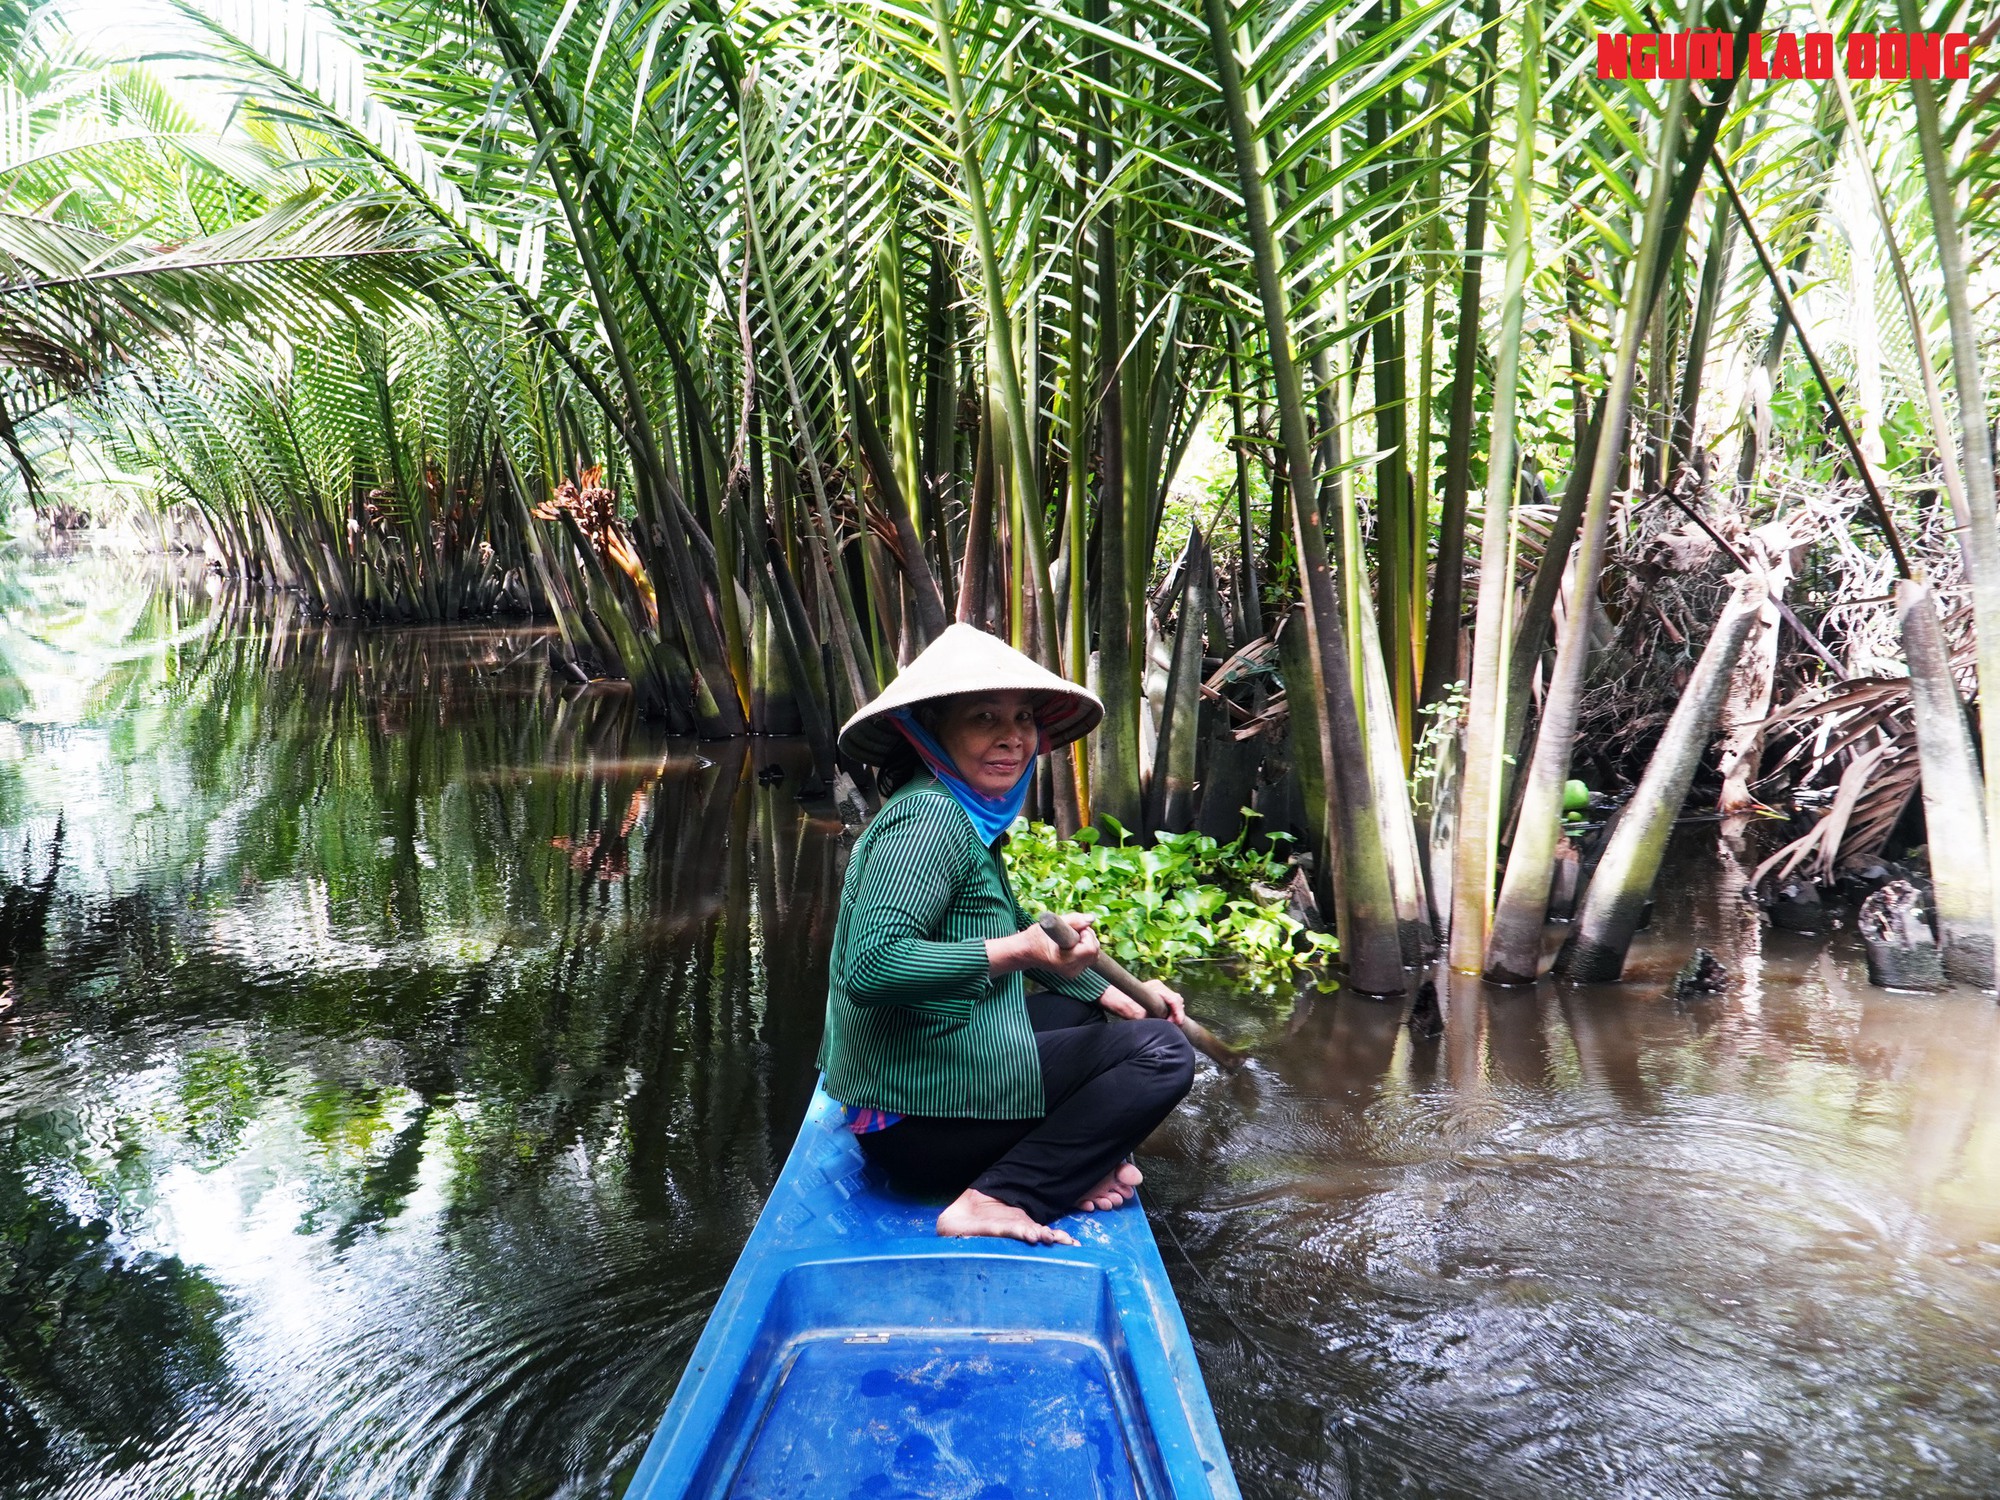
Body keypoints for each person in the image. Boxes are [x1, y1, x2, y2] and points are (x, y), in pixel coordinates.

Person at [817, 623, 1197, 1248]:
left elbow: (1000, 932)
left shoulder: (959, 815)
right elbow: (874, 968)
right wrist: (1022, 949)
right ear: (929, 732)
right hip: (914, 1128)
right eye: (984, 718)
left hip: (906, 1107)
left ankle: (1060, 1164)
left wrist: (1108, 989)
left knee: (1087, 1015)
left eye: (1022, 718)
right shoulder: (928, 821)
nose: (1012, 737)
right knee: (1160, 1055)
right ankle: (999, 1196)